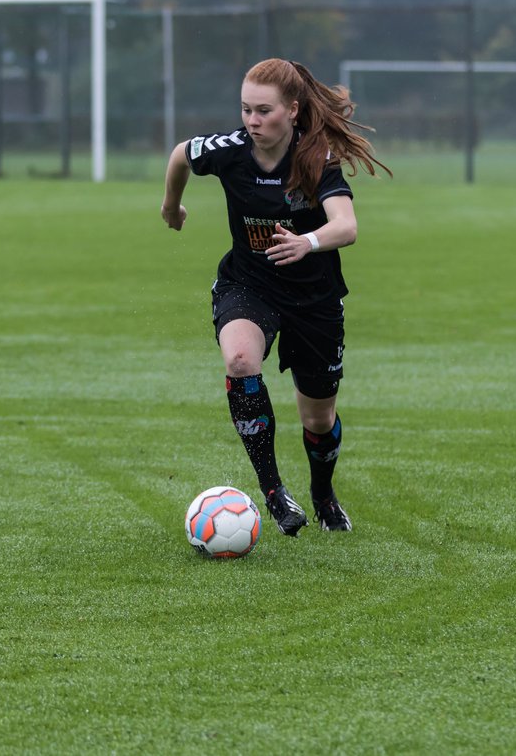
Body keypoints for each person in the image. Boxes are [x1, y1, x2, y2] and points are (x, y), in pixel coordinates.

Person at [161, 58, 390, 536]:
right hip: (249, 282)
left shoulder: (315, 157)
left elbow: (346, 226)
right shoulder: (230, 150)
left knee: (319, 418)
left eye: (263, 111)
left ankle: (323, 494)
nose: (252, 121)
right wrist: (171, 204)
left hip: (314, 297)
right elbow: (182, 153)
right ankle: (273, 494)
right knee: (241, 361)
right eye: (246, 110)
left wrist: (306, 242)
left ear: (292, 110)